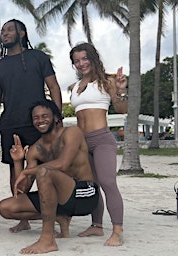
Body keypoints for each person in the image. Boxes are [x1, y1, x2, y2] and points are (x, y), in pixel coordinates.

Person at [0, 19, 62, 233]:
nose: (5, 34)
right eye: (2, 31)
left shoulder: (38, 57)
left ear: (22, 33)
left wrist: (56, 118)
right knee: (16, 169)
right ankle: (24, 217)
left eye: (10, 30)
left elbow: (54, 87)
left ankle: (55, 213)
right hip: (11, 124)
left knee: (47, 168)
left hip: (39, 123)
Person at [0, 99, 99, 254]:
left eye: (45, 116)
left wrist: (27, 171)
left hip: (84, 194)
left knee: (44, 171)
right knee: (6, 208)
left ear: (56, 117)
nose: (40, 120)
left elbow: (63, 164)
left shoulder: (72, 132)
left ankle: (47, 239)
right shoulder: (35, 149)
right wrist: (18, 162)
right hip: (58, 198)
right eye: (36, 118)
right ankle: (60, 216)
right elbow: (22, 189)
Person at [69, 42, 127, 246]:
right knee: (91, 185)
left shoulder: (107, 82)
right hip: (82, 143)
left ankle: (118, 230)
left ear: (93, 58)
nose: (81, 63)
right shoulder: (74, 87)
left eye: (85, 59)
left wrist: (120, 91)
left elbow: (121, 109)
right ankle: (97, 225)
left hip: (102, 139)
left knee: (107, 182)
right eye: (77, 61)